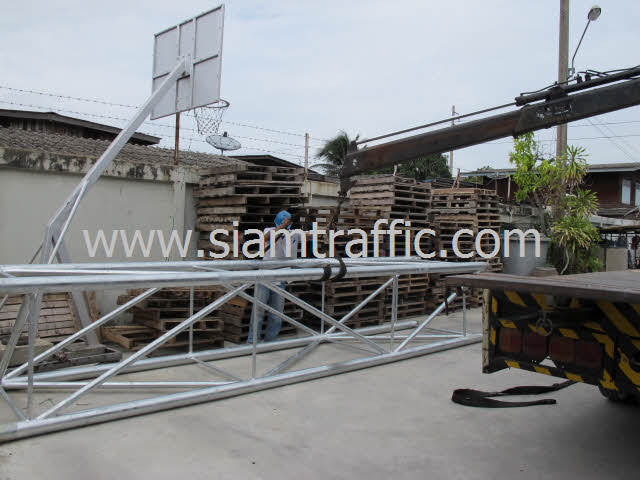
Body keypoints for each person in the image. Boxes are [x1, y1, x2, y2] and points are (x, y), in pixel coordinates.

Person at [247, 210, 309, 343]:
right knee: (258, 311)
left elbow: (308, 235)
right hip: (264, 277)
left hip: (280, 277)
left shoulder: (293, 233)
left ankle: (271, 340)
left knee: (277, 313)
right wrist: (281, 227)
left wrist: (326, 230)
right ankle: (252, 341)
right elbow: (265, 237)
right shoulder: (269, 230)